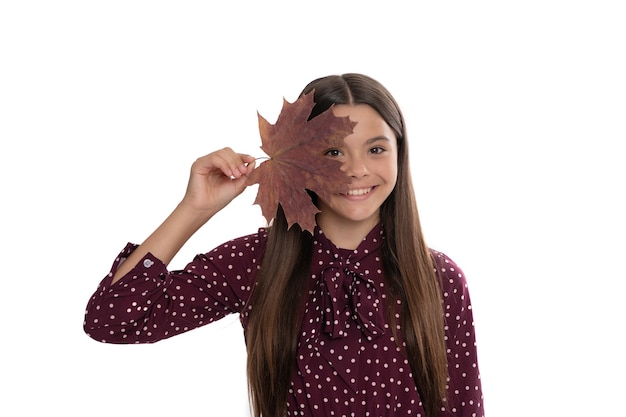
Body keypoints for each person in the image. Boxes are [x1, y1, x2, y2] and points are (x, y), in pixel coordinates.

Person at [83, 73, 484, 417]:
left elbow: (464, 408)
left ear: (400, 153)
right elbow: (112, 320)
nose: (357, 169)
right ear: (299, 159)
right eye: (332, 151)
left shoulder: (439, 278)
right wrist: (194, 209)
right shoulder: (256, 262)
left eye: (376, 149)